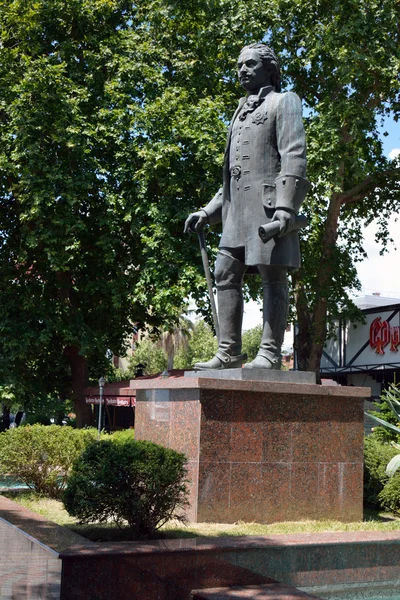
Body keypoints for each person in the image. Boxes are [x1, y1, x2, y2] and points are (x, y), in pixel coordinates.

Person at [184, 43, 309, 370]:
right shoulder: (239, 110)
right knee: (225, 272)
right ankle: (229, 351)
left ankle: (269, 352)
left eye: (250, 64)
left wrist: (285, 208)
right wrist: (210, 212)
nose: (242, 70)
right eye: (239, 65)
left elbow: (293, 156)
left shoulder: (284, 102)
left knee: (273, 276)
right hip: (236, 212)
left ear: (269, 68)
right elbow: (232, 174)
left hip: (269, 209)